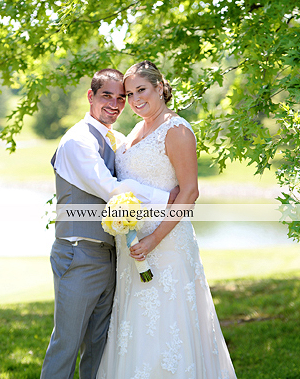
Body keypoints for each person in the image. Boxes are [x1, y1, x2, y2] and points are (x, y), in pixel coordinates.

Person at [97, 61, 236, 378]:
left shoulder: (177, 130)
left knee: (167, 326)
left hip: (166, 244)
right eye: (129, 94)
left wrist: (153, 239)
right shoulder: (135, 130)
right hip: (132, 247)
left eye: (141, 90)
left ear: (160, 87)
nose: (135, 100)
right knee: (136, 326)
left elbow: (189, 192)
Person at [41, 68, 177, 379]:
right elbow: (111, 189)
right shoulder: (78, 141)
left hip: (109, 256)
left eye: (121, 98)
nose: (115, 105)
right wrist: (166, 198)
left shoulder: (115, 140)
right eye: (107, 96)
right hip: (79, 254)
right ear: (90, 96)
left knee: (99, 347)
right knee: (66, 344)